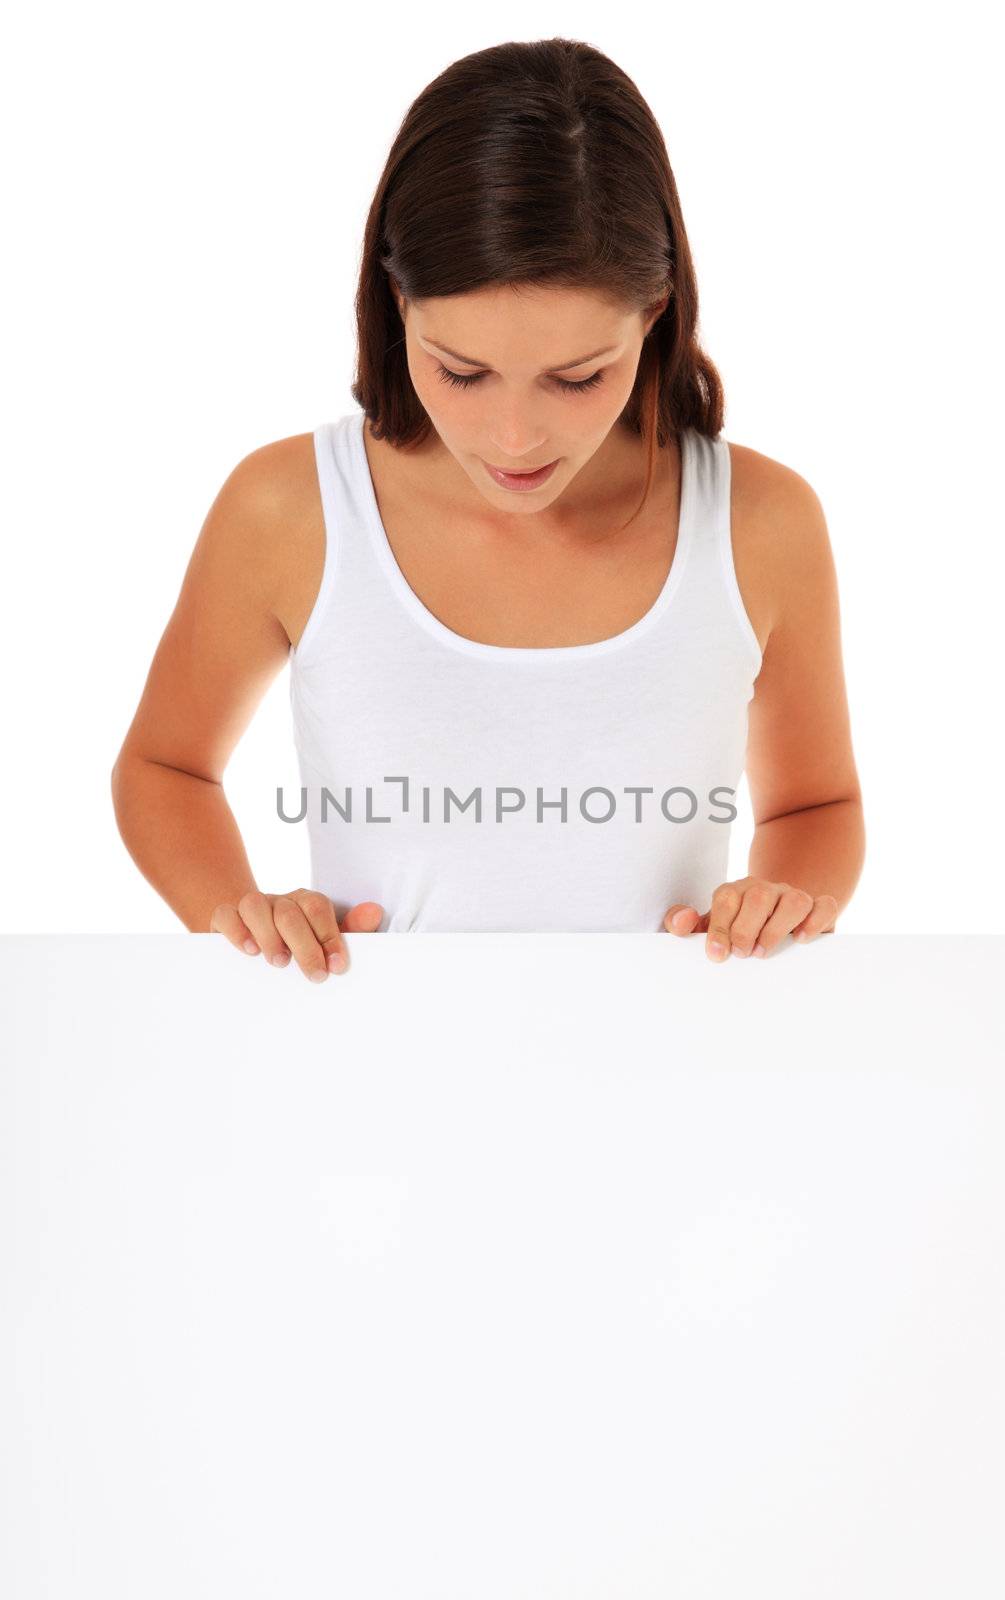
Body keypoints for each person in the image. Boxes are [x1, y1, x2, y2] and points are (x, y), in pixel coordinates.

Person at [110, 37, 864, 982]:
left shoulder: (758, 521)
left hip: (672, 1079)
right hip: (370, 1075)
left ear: (657, 314)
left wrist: (778, 905)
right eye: (460, 372)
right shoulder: (289, 510)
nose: (514, 439)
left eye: (577, 377)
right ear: (395, 303)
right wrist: (244, 916)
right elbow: (166, 769)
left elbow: (814, 809)